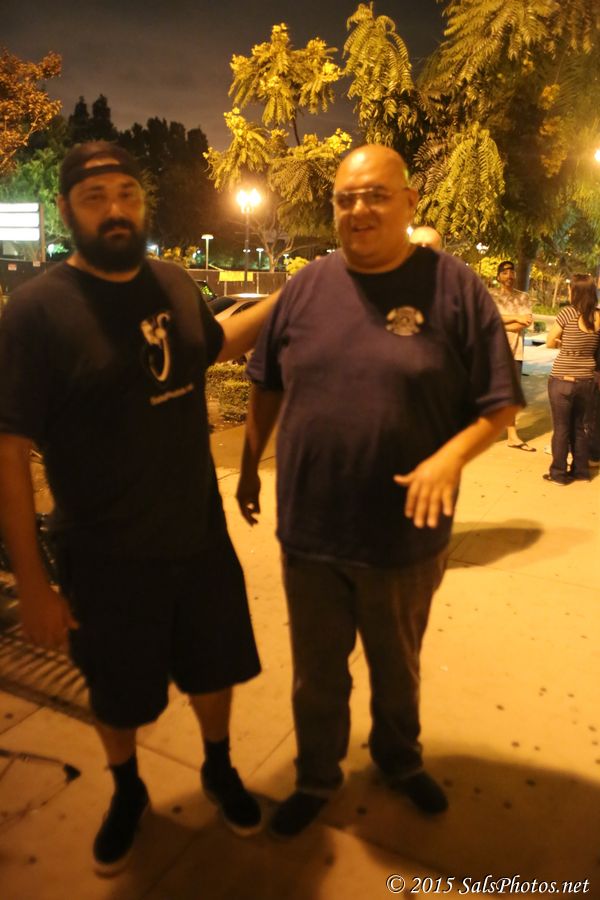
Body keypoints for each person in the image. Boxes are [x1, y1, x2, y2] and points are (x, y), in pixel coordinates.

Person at [0, 141, 278, 875]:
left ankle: (218, 768)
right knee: (117, 693)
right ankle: (127, 790)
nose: (115, 209)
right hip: (103, 555)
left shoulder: (174, 283)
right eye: (95, 198)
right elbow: (8, 451)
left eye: (126, 192)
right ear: (67, 210)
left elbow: (213, 346)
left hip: (197, 535)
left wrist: (291, 297)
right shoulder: (35, 312)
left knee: (214, 669)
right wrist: (34, 582)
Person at [236, 144, 524, 838]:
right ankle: (316, 775)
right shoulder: (305, 287)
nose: (359, 210)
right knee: (316, 676)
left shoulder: (454, 289)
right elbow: (265, 384)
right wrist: (247, 467)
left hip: (404, 538)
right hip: (310, 533)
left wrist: (449, 459)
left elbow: (499, 406)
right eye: (346, 198)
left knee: (398, 669)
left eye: (375, 195)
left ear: (408, 202)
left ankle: (399, 760)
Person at [544, 273, 600, 484]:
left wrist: (563, 343)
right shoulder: (598, 316)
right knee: (579, 427)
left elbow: (550, 341)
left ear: (575, 291)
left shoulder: (567, 313)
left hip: (563, 378)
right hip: (587, 379)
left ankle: (558, 473)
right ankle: (581, 472)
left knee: (561, 428)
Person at [489, 260, 536, 450]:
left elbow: (525, 323)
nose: (509, 275)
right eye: (505, 272)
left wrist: (502, 322)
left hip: (515, 352)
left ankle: (512, 435)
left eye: (512, 272)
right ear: (498, 276)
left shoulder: (523, 297)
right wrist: (516, 317)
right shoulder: (490, 296)